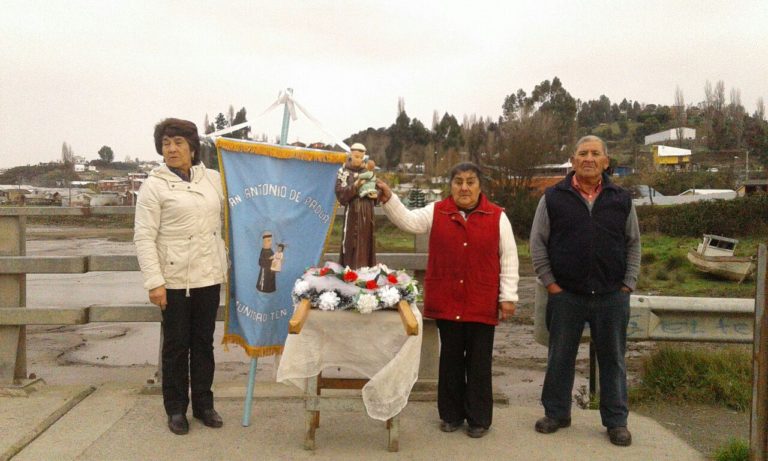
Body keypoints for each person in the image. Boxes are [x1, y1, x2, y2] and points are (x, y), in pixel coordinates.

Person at [376, 162, 519, 439]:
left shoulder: (498, 216)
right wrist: (389, 198)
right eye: (458, 182)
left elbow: (510, 258)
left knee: (479, 361)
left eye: (470, 182)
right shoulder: (437, 211)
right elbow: (409, 221)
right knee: (451, 358)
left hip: (481, 299)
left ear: (480, 186)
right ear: (450, 185)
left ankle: (479, 419)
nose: (464, 187)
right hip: (448, 300)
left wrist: (508, 297)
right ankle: (451, 415)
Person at [530, 135, 641, 447]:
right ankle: (556, 414)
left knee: (614, 360)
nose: (589, 158)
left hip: (611, 296)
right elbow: (538, 242)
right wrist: (551, 284)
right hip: (566, 294)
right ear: (573, 160)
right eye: (583, 153)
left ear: (606, 161)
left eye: (595, 153)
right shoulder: (553, 197)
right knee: (559, 356)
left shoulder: (621, 198)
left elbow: (633, 243)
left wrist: (626, 285)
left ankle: (616, 422)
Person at [134, 118, 227, 435]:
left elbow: (244, 195)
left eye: (178, 143)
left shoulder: (212, 179)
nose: (171, 149)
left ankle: (204, 405)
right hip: (173, 281)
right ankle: (176, 410)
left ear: (192, 147)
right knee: (175, 347)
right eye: (166, 144)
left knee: (204, 344)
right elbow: (144, 237)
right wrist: (154, 282)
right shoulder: (153, 185)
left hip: (208, 275)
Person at [335, 142, 376, 269]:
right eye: (356, 156)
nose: (358, 159)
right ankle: (350, 271)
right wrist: (356, 185)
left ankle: (366, 270)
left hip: (367, 211)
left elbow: (377, 186)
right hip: (352, 212)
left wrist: (376, 196)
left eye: (361, 157)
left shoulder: (368, 171)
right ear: (350, 155)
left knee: (366, 242)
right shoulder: (343, 172)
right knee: (351, 243)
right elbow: (340, 193)